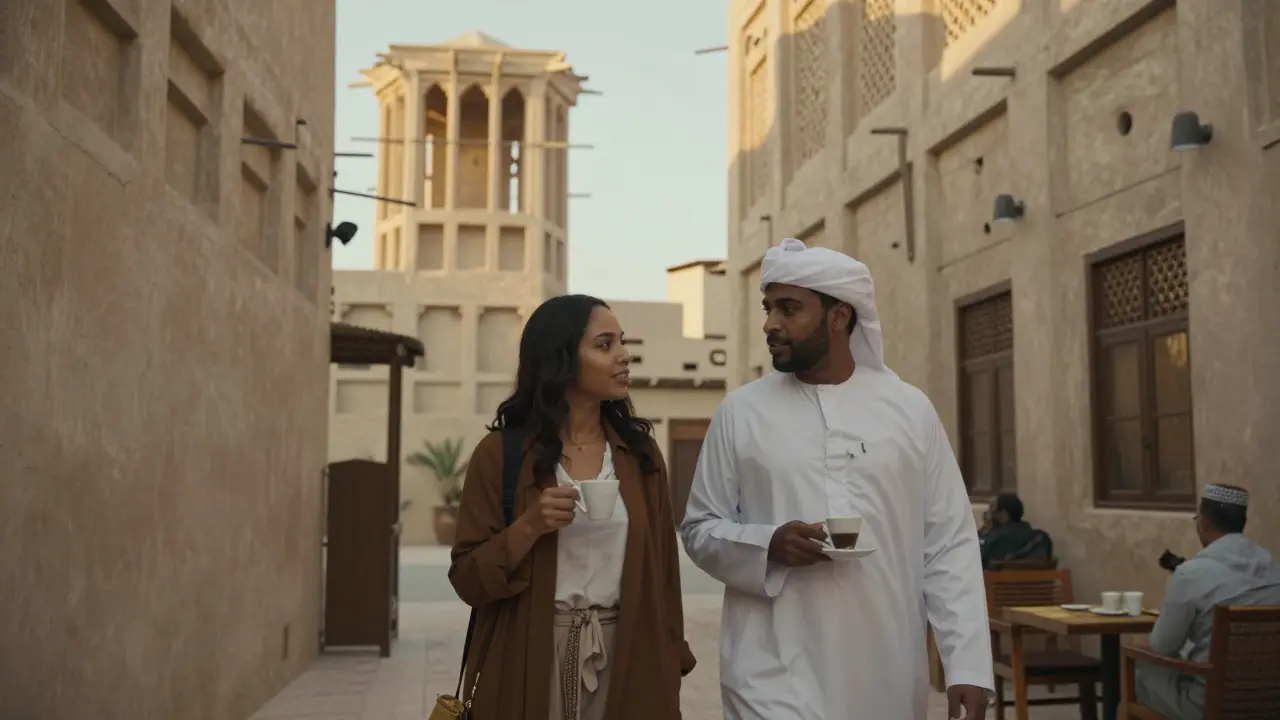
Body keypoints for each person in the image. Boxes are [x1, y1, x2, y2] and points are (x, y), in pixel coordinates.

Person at [679, 238, 993, 720]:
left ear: (839, 315)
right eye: (768, 308)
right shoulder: (741, 412)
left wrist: (967, 664)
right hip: (768, 672)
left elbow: (948, 543)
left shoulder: (909, 410)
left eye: (789, 308)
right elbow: (699, 529)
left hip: (882, 673)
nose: (770, 324)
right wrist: (769, 545)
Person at [448, 294, 695, 720]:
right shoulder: (500, 455)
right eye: (604, 345)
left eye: (622, 342)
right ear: (560, 358)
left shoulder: (640, 456)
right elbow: (468, 579)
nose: (623, 356)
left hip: (629, 657)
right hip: (526, 655)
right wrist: (528, 526)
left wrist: (670, 661)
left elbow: (665, 577)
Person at [1134, 483, 1280, 719]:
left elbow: (1162, 647)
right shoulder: (1274, 567)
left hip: (1209, 703)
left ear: (1204, 523)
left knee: (1141, 670)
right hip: (1271, 700)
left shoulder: (1191, 574)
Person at [980, 492, 1048, 569]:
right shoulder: (1032, 534)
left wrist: (986, 531)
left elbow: (979, 559)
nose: (988, 515)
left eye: (991, 511)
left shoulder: (998, 537)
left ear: (1003, 514)